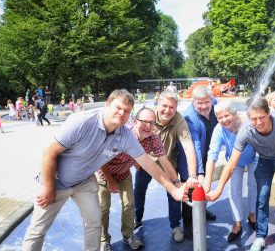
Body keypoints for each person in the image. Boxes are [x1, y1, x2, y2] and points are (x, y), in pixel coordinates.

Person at [22, 89, 188, 251]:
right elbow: (49, 153)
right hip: (57, 179)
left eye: (127, 111)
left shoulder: (125, 135)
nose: (122, 114)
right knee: (38, 229)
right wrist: (48, 187)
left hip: (84, 181)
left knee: (94, 221)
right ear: (107, 104)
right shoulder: (82, 122)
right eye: (118, 108)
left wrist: (173, 188)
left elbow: (148, 163)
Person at [207, 97, 275, 251]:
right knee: (262, 197)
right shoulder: (246, 131)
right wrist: (218, 189)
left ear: (269, 113)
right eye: (254, 118)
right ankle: (260, 236)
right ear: (248, 117)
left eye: (262, 117)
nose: (258, 122)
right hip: (265, 160)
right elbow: (232, 163)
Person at [96, 107, 180, 251]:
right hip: (104, 173)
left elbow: (164, 161)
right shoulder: (120, 135)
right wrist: (110, 180)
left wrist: (176, 184)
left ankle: (128, 235)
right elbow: (101, 159)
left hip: (123, 173)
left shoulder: (153, 138)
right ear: (135, 122)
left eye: (152, 123)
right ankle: (104, 240)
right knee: (103, 207)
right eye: (144, 122)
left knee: (129, 204)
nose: (148, 126)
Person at [134, 91, 198, 243]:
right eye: (164, 106)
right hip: (147, 163)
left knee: (174, 195)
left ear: (176, 108)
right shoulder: (147, 118)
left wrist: (193, 175)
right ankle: (137, 217)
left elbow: (189, 147)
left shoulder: (178, 120)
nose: (168, 110)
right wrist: (137, 163)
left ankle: (175, 225)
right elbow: (132, 140)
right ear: (157, 104)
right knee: (139, 190)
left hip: (168, 163)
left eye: (172, 107)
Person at [203, 101, 257, 242]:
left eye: (227, 115)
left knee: (253, 187)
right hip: (235, 162)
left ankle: (252, 215)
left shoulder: (247, 124)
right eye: (220, 117)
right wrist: (207, 182)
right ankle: (237, 223)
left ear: (234, 113)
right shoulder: (219, 129)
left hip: (254, 158)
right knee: (234, 191)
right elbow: (212, 156)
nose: (224, 120)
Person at [177, 85, 218, 239]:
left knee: (205, 185)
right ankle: (188, 224)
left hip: (208, 154)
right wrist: (199, 172)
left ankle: (202, 209)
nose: (203, 106)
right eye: (199, 103)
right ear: (193, 102)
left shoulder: (215, 108)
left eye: (206, 102)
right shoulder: (189, 117)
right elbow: (195, 145)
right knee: (190, 188)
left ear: (211, 99)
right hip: (191, 158)